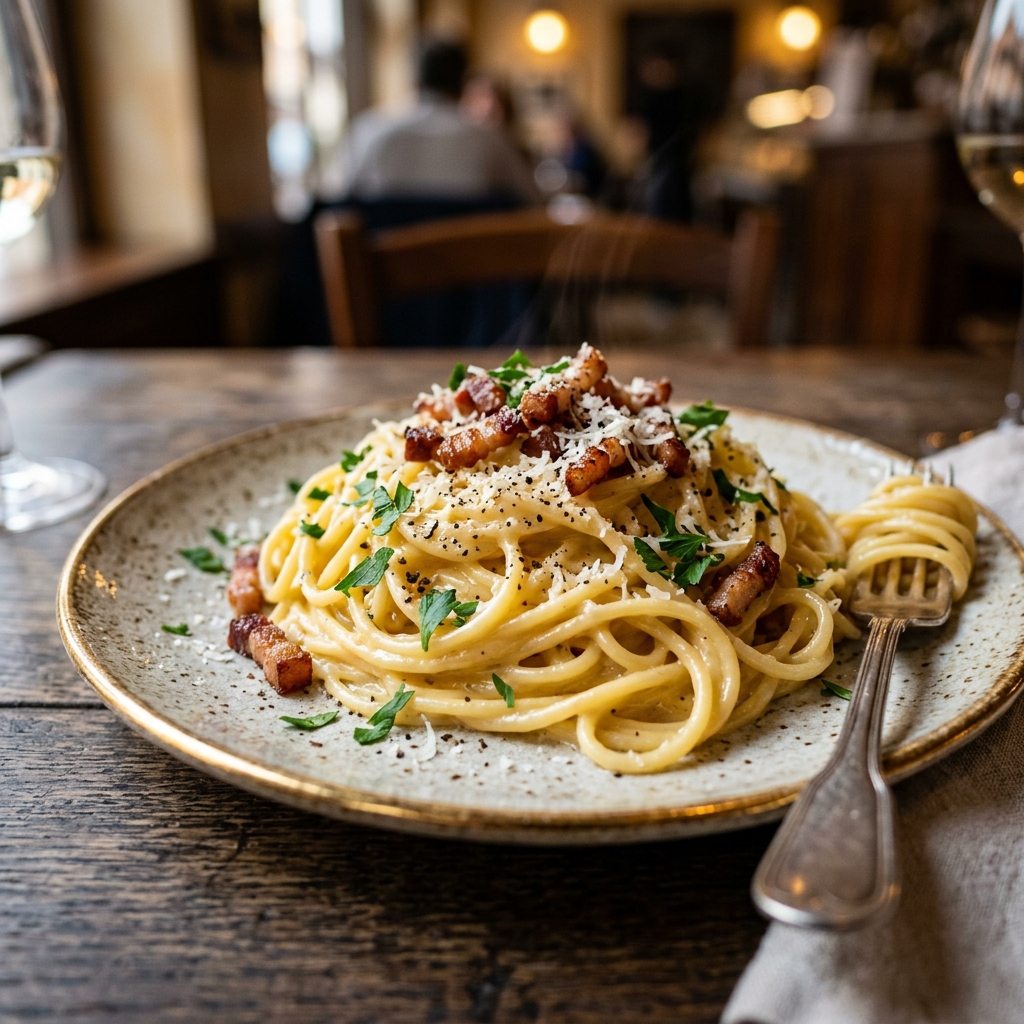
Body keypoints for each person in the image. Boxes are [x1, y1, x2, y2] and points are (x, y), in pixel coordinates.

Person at [342, 41, 538, 204]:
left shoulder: (368, 132)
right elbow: (531, 206)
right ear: (463, 84)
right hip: (469, 251)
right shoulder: (491, 140)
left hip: (383, 250)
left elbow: (342, 202)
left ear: (415, 82)